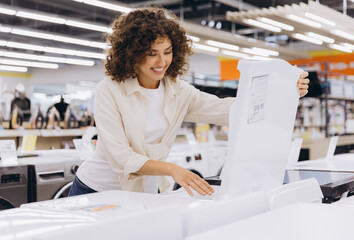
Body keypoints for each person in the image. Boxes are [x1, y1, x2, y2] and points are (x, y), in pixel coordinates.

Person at [69, 7, 309, 197]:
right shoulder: (109, 91)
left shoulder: (178, 91)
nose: (162, 61)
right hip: (96, 190)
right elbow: (121, 157)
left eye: (168, 51)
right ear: (131, 53)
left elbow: (228, 109)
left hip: (143, 193)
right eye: (152, 53)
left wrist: (284, 93)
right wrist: (173, 169)